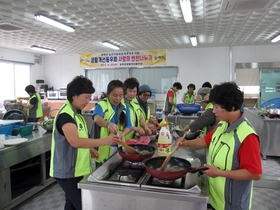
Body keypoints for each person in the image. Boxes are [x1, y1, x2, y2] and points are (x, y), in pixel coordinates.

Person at [176, 82, 262, 210]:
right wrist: (186, 143)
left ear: (232, 107)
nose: (214, 111)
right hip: (215, 198)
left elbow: (254, 173)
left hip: (232, 204)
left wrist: (220, 173)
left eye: (217, 107)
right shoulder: (222, 124)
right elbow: (206, 140)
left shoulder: (247, 136)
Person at [49, 75, 121, 210]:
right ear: (74, 95)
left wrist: (90, 149)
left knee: (71, 205)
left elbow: (80, 138)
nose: (88, 101)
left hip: (76, 170)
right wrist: (104, 141)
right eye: (86, 97)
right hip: (67, 171)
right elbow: (75, 141)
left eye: (89, 97)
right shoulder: (66, 116)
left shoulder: (77, 114)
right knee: (84, 205)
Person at [91, 79, 132, 164]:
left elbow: (128, 125)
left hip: (118, 147)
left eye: (121, 96)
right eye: (114, 95)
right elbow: (96, 118)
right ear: (108, 93)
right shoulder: (102, 104)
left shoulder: (124, 107)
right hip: (103, 148)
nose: (118, 98)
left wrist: (122, 134)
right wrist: (108, 124)